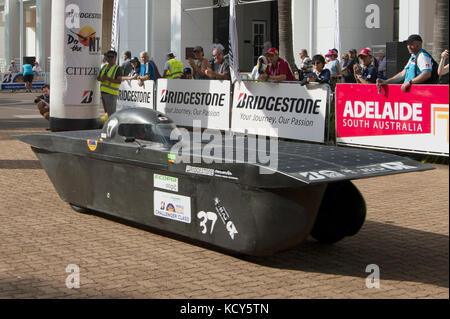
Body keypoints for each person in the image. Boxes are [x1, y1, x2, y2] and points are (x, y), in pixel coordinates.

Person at [96, 50, 124, 117]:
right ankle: (108, 125)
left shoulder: (118, 68)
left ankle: (113, 126)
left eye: (112, 57)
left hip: (111, 94)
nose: (110, 58)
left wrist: (108, 79)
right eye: (108, 56)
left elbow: (119, 81)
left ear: (115, 58)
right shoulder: (104, 67)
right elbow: (98, 78)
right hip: (103, 93)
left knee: (111, 114)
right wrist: (101, 79)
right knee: (107, 113)